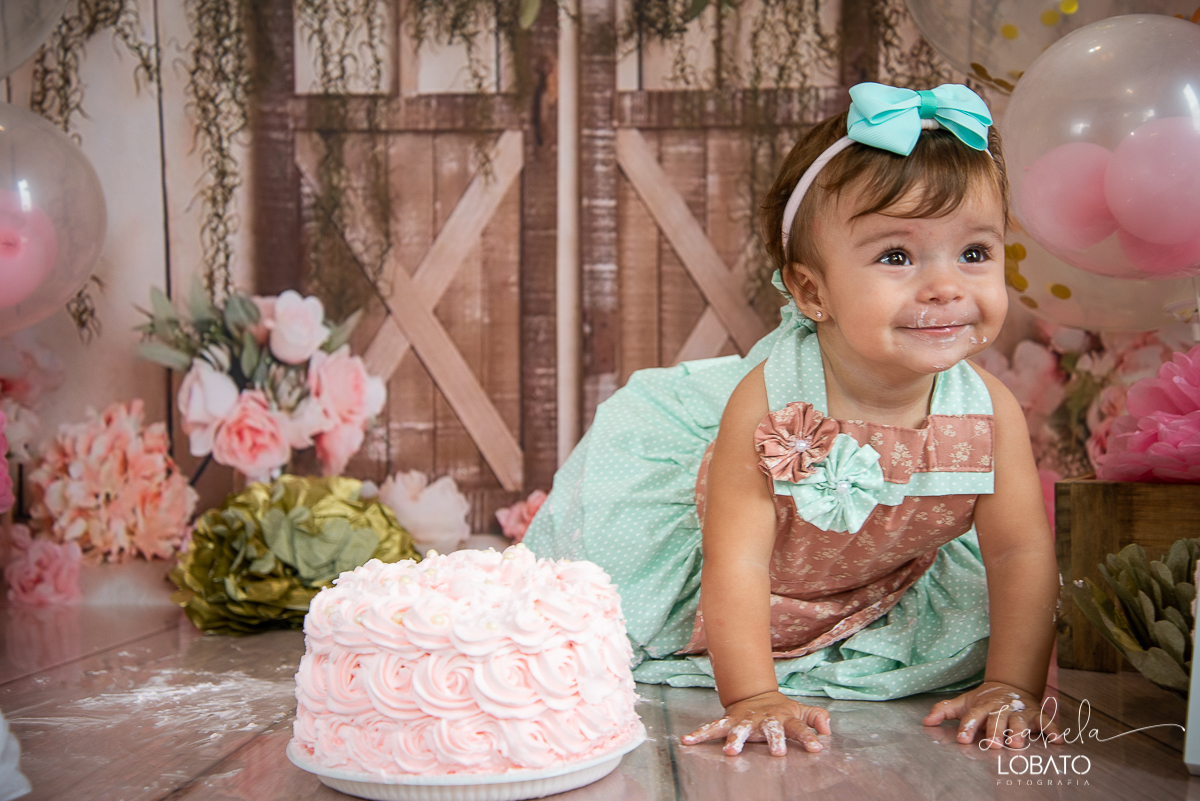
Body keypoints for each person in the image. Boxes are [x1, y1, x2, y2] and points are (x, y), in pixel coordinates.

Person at [523, 83, 1062, 756]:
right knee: (587, 628)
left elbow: (1018, 551)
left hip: (875, 579)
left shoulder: (987, 412)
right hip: (748, 580)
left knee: (977, 632)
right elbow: (739, 559)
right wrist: (753, 695)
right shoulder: (774, 400)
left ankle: (859, 633)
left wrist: (1012, 682)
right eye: (897, 256)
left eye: (975, 253)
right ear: (813, 290)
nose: (947, 286)